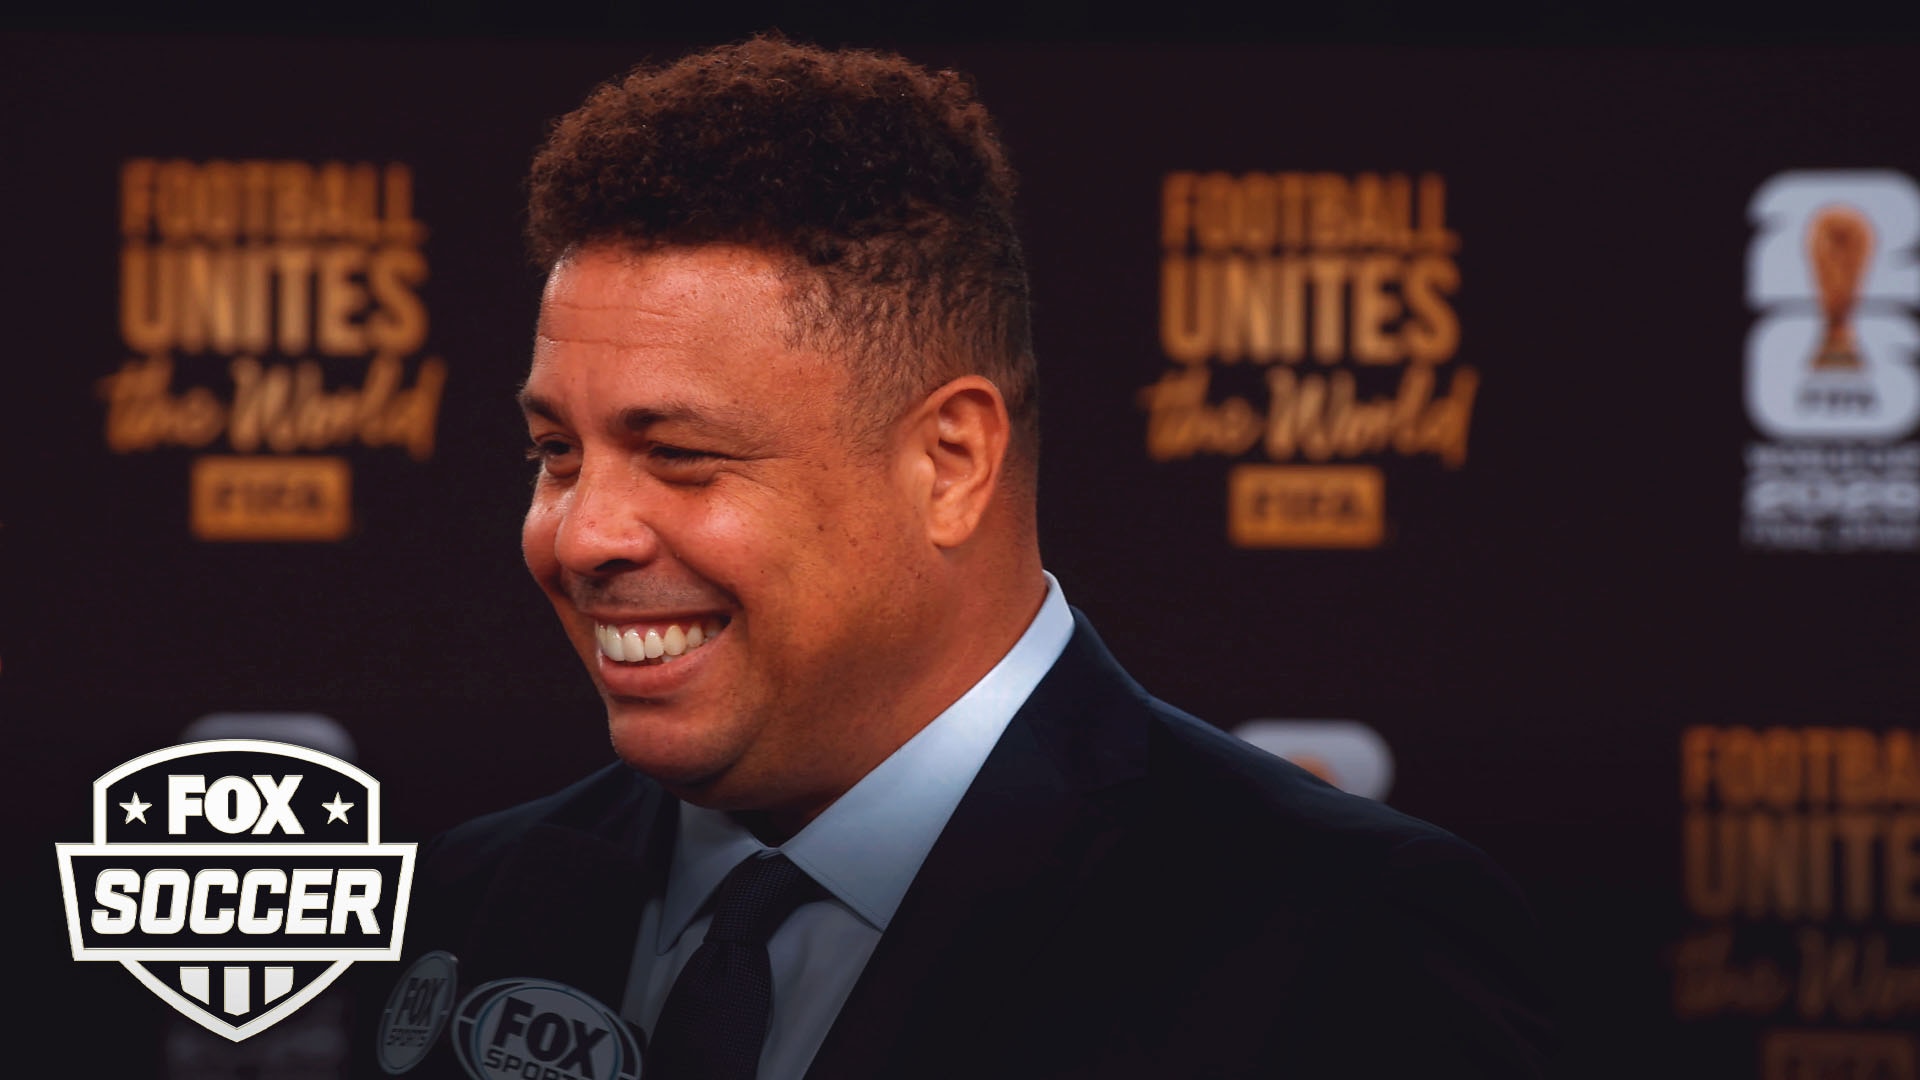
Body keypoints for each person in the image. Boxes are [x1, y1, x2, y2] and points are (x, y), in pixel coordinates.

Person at [389, 36, 1554, 1079]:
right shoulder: (474, 897)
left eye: (680, 456)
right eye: (556, 452)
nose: (583, 535)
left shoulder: (1342, 939)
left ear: (949, 462)